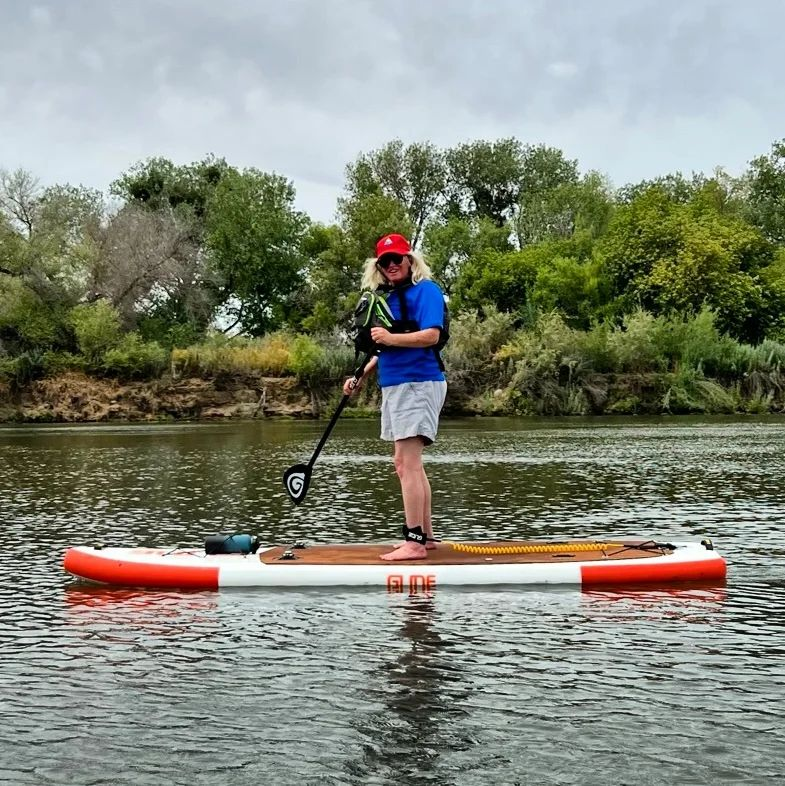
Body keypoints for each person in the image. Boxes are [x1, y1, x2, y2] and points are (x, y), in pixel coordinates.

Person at [343, 233, 447, 561]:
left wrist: (390, 337)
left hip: (420, 381)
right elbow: (382, 348)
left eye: (396, 259)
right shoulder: (385, 298)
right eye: (384, 262)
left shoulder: (426, 290)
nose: (391, 265)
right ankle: (425, 537)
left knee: (407, 463)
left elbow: (432, 335)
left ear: (409, 261)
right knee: (404, 465)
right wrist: (360, 375)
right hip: (395, 385)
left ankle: (414, 543)